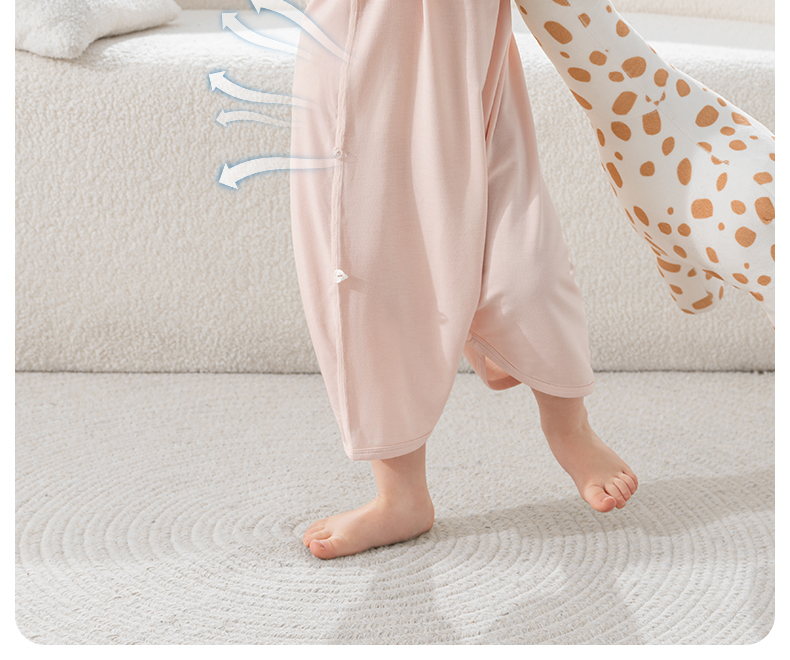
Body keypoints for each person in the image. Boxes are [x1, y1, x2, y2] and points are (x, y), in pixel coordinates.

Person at [289, 0, 637, 560]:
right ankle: (400, 494)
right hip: (362, 48)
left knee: (525, 259)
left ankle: (568, 425)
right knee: (372, 269)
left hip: (471, 50)